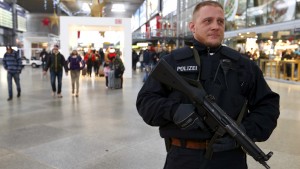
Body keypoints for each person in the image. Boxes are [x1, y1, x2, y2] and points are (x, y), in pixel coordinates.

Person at [136, 1, 280, 169]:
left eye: (220, 22)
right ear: (192, 26)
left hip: (230, 158)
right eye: (208, 21)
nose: (215, 26)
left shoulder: (243, 65)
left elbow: (268, 105)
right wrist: (173, 110)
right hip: (183, 157)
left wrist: (244, 130)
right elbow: (145, 101)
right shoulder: (172, 62)